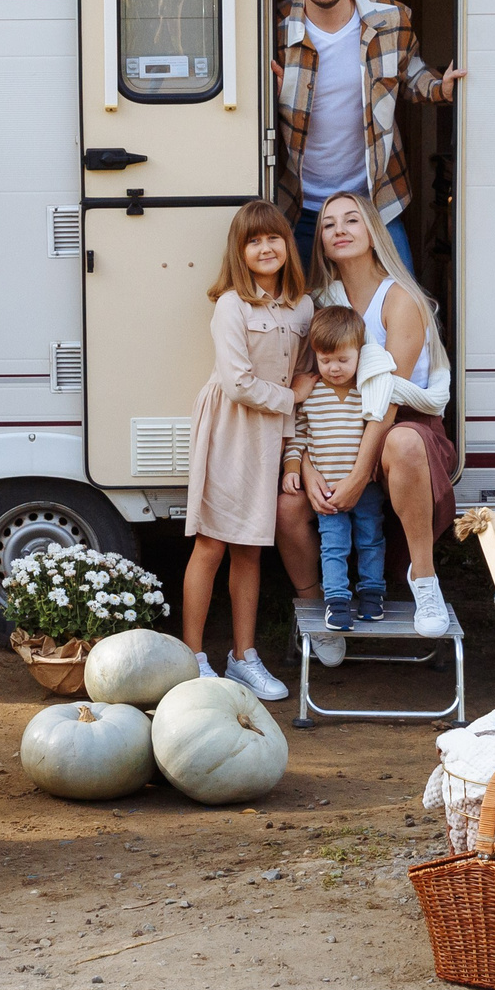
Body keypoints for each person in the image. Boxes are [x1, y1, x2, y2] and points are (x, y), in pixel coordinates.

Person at [277, 191, 460, 656]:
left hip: (403, 424)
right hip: (333, 427)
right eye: (328, 223)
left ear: (373, 232)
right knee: (287, 506)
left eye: (352, 220)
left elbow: (388, 398)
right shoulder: (321, 303)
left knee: (400, 444)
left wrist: (359, 475)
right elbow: (307, 390)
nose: (339, 229)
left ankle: (424, 580)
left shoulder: (401, 300)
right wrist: (311, 469)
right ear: (319, 241)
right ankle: (319, 607)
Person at [273, 0, 462, 267]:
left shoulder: (390, 19)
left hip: (375, 200)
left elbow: (411, 77)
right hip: (300, 204)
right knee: (301, 313)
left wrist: (442, 88)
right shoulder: (275, 29)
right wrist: (267, 96)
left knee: (404, 300)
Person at [180, 199, 313, 701]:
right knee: (212, 542)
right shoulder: (232, 304)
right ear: (239, 251)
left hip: (271, 433)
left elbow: (304, 375)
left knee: (250, 546)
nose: (264, 247)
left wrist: (293, 444)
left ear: (287, 244)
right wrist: (290, 398)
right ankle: (192, 657)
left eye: (273, 237)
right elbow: (237, 383)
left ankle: (243, 657)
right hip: (231, 427)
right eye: (252, 240)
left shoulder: (303, 306)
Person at [290, 303, 386, 633]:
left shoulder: (368, 391)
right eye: (325, 360)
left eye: (343, 360)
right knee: (334, 544)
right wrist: (293, 468)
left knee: (371, 539)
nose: (333, 368)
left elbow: (379, 433)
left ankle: (373, 594)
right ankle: (336, 600)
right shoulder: (312, 394)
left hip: (366, 486)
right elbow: (298, 434)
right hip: (327, 488)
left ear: (359, 354)